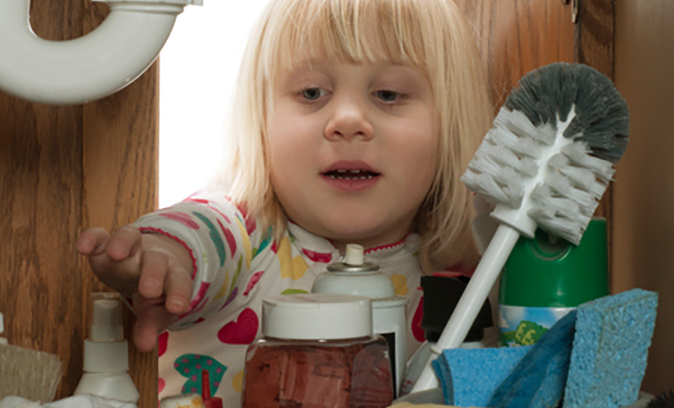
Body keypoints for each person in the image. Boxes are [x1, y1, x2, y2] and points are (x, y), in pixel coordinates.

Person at [77, 0, 492, 405]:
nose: (347, 120)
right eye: (312, 92)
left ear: (449, 124)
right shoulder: (245, 232)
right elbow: (201, 232)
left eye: (388, 94)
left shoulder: (470, 279)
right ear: (263, 120)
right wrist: (166, 254)